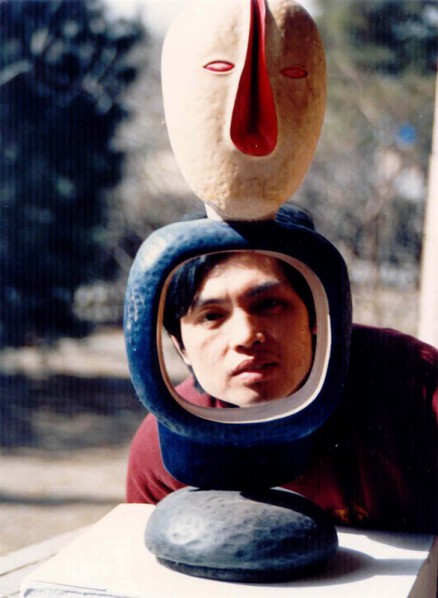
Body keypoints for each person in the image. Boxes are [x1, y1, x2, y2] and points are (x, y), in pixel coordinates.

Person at [126, 208, 438, 535]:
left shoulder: (414, 384)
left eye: (270, 304)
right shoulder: (162, 451)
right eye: (211, 316)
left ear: (317, 312)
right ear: (180, 345)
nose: (246, 336)